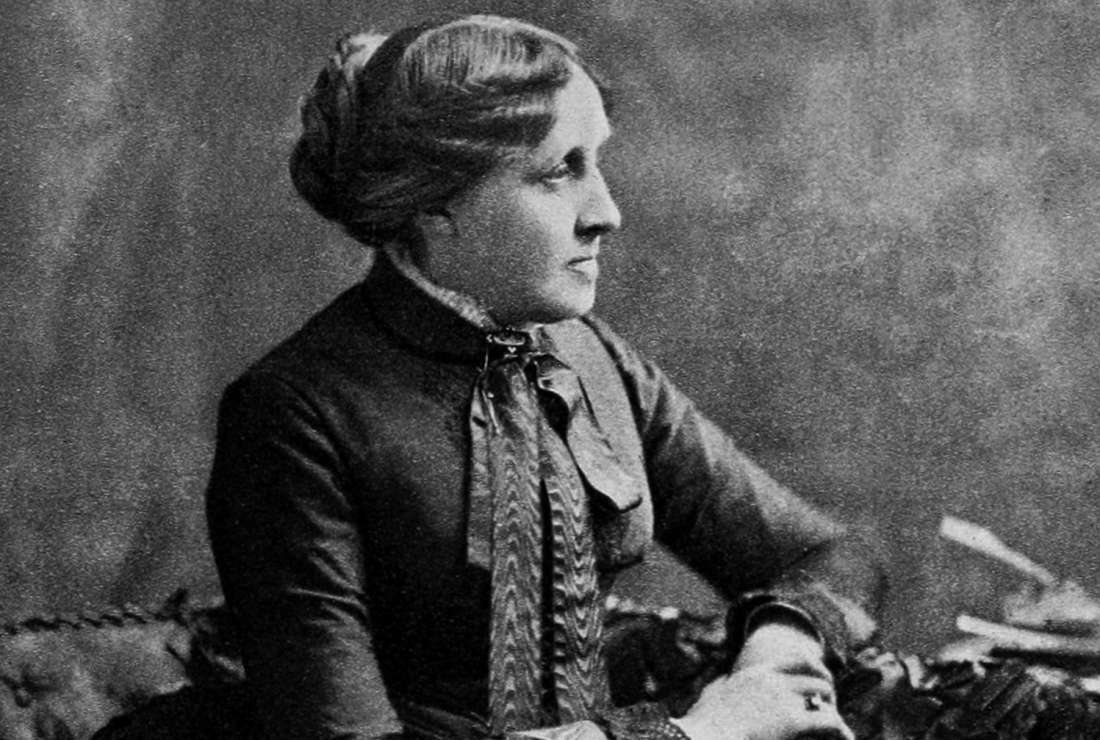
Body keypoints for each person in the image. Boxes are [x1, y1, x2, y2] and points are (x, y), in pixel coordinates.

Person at [205, 14, 887, 740]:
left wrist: (777, 653)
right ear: (434, 200)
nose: (606, 213)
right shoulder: (293, 413)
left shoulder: (589, 358)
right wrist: (705, 732)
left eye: (597, 160)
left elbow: (831, 555)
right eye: (560, 170)